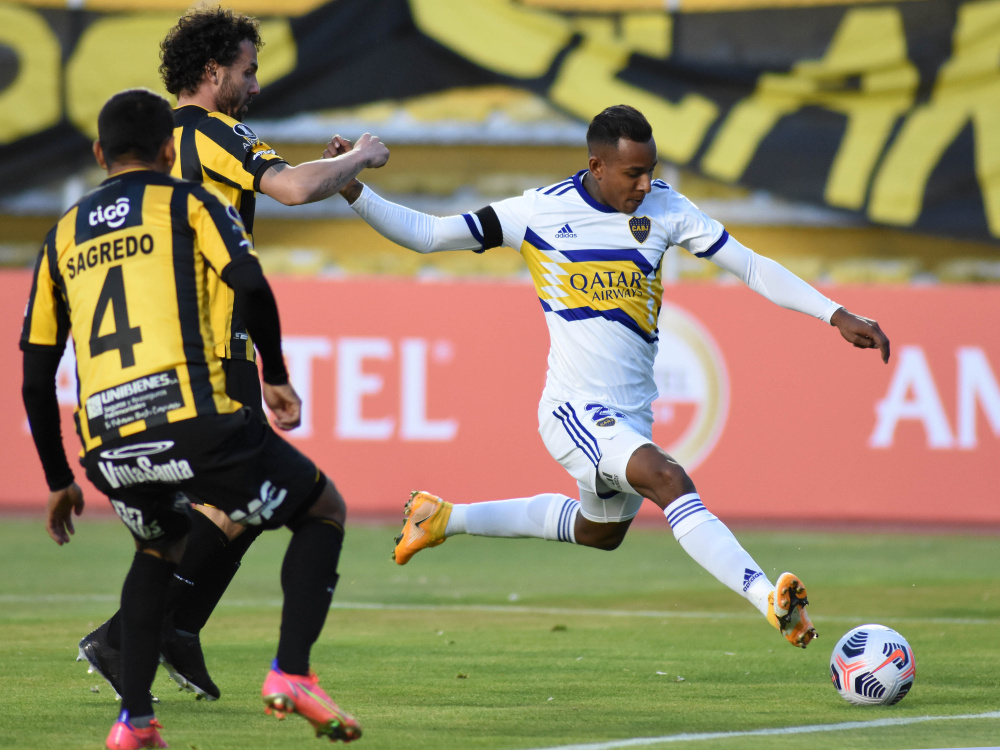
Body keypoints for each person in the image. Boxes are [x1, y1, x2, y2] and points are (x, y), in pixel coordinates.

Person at [330, 104, 891, 651]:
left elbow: (749, 264)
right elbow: (429, 233)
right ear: (596, 166)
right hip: (573, 410)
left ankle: (443, 518)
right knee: (669, 479)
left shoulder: (665, 207)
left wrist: (835, 313)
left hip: (630, 415)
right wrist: (354, 189)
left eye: (651, 170)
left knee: (600, 532)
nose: (645, 184)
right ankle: (769, 599)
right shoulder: (538, 213)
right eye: (633, 173)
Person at [21, 88, 363, 749]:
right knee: (322, 508)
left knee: (159, 544)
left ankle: (135, 721)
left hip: (107, 440)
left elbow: (36, 374)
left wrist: (59, 478)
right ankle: (292, 673)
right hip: (188, 414)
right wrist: (275, 374)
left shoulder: (62, 232)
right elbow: (251, 285)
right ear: (168, 150)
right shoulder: (190, 203)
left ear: (98, 152)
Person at [78, 6, 389, 703]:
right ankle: (133, 635)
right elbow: (295, 188)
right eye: (247, 71)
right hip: (215, 346)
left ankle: (173, 628)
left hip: (169, 347)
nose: (255, 84)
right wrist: (360, 157)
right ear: (213, 71)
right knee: (259, 499)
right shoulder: (212, 131)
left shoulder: (160, 144)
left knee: (236, 506)